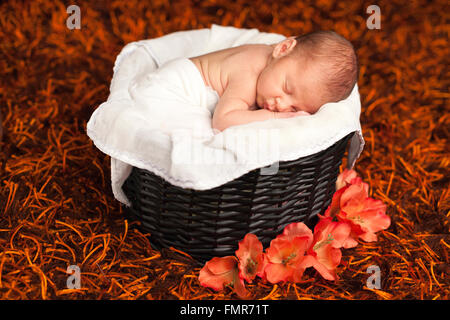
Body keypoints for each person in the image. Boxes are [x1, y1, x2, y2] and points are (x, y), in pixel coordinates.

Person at [189, 30, 358, 132]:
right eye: (287, 88)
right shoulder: (249, 75)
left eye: (295, 107)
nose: (282, 105)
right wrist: (276, 117)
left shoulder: (273, 64)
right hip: (177, 85)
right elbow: (222, 122)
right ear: (282, 48)